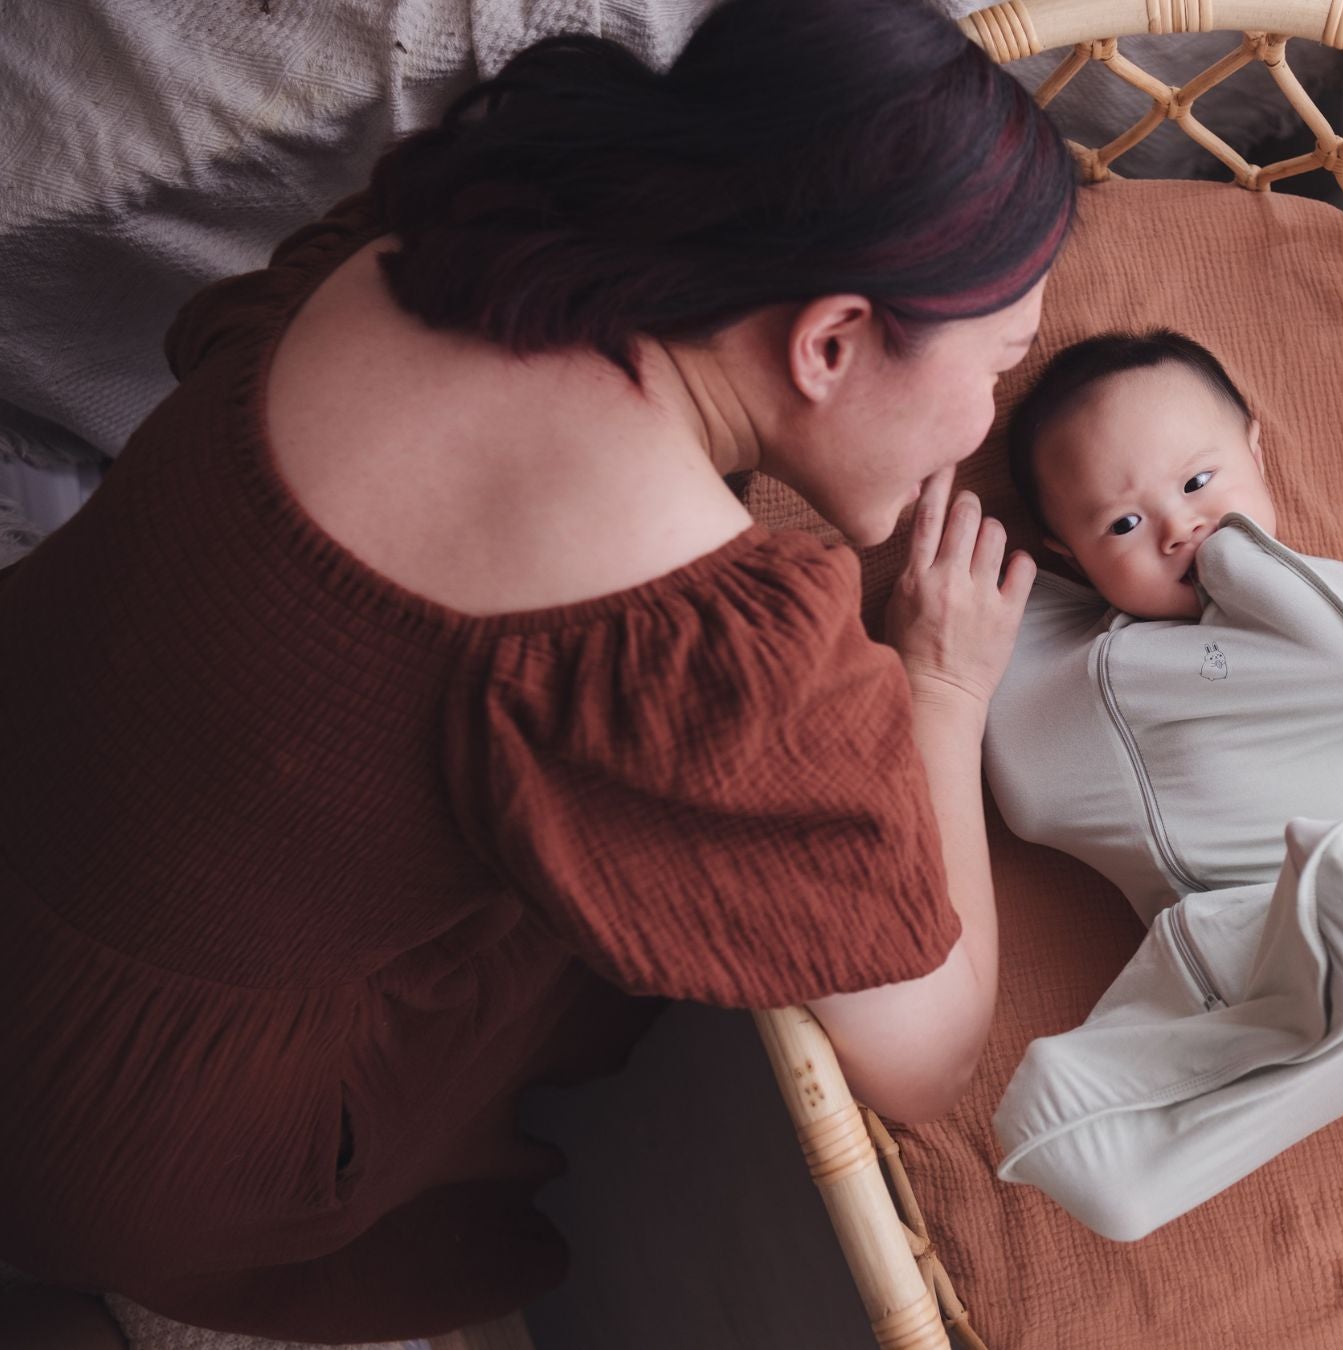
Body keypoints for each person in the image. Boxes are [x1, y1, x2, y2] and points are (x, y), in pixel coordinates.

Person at [0, 0, 1076, 1344]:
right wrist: (946, 682)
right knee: (600, 917)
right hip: (126, 1124)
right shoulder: (684, 632)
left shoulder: (435, 242)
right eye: (999, 363)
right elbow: (925, 1054)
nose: (984, 425)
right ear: (831, 340)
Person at [977, 329, 1343, 1242]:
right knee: (1114, 1179)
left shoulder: (1318, 607)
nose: (1180, 528)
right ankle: (1136, 1152)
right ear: (1066, 551)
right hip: (1222, 954)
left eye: (1199, 483)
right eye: (1123, 525)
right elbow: (1033, 790)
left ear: (1258, 449)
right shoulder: (1091, 661)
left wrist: (1231, 557)